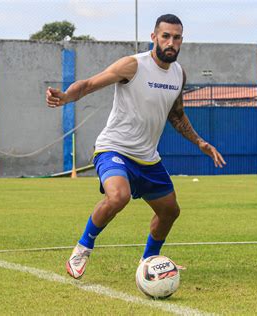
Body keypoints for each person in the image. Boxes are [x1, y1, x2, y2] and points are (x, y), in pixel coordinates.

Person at [46, 14, 226, 279]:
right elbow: (89, 85)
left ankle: (148, 262)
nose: (171, 42)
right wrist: (65, 97)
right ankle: (83, 247)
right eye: (165, 36)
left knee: (170, 212)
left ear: (181, 41)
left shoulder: (178, 74)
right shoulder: (133, 66)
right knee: (119, 196)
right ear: (154, 37)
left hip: (148, 158)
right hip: (114, 148)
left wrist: (200, 142)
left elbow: (176, 114)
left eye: (176, 38)